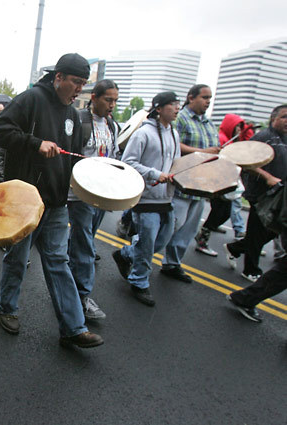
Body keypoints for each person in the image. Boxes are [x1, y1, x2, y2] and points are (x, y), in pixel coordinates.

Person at [0, 53, 103, 348]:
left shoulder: (73, 115)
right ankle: (7, 308)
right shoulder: (31, 99)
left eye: (83, 83)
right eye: (75, 82)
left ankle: (73, 327)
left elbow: (73, 157)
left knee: (58, 263)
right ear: (58, 78)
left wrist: (95, 178)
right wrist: (35, 144)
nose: (79, 89)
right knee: (16, 260)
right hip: (24, 201)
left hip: (55, 204)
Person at [112, 92, 181, 306]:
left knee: (160, 242)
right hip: (146, 197)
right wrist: (154, 174)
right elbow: (128, 162)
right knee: (148, 243)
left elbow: (176, 163)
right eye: (172, 105)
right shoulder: (143, 134)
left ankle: (126, 254)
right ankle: (139, 282)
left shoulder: (174, 134)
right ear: (159, 108)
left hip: (166, 198)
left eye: (178, 105)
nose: (177, 108)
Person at [68, 79, 119, 319]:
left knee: (81, 241)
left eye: (115, 101)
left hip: (101, 194)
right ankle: (81, 296)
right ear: (95, 98)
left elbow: (114, 156)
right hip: (78, 195)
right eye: (108, 99)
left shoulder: (112, 126)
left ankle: (68, 281)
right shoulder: (79, 120)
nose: (112, 105)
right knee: (86, 246)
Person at [160, 84, 220, 283]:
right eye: (204, 97)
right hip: (182, 184)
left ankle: (172, 263)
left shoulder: (209, 124)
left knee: (189, 229)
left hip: (200, 185)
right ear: (191, 97)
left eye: (210, 98)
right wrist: (201, 152)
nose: (207, 101)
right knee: (171, 226)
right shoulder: (181, 119)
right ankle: (134, 253)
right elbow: (173, 144)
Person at [224, 104, 287, 283]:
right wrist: (267, 176)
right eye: (284, 117)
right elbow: (246, 162)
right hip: (261, 193)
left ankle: (235, 248)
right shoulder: (263, 137)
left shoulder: (284, 139)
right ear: (273, 118)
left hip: (278, 194)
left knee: (274, 229)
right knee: (257, 230)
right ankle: (251, 269)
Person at [194, 113, 254, 255]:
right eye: (237, 126)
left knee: (223, 212)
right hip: (218, 182)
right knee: (218, 212)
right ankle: (203, 237)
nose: (239, 129)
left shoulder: (232, 141)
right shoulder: (222, 139)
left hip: (226, 182)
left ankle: (206, 231)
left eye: (241, 127)